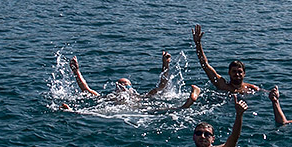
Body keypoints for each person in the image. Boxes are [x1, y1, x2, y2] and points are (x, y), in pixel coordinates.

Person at [63, 52, 200, 109]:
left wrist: (166, 64)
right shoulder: (107, 99)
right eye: (120, 85)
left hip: (140, 112)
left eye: (126, 85)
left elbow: (162, 86)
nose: (123, 87)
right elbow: (86, 89)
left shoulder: (140, 98)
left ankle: (187, 104)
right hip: (113, 114)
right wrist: (76, 71)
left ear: (131, 88)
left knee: (165, 110)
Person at [192, 24, 261, 93]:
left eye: (239, 72)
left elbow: (267, 93)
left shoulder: (252, 89)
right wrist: (198, 44)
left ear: (244, 73)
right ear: (229, 73)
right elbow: (205, 65)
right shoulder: (222, 85)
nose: (237, 74)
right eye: (234, 71)